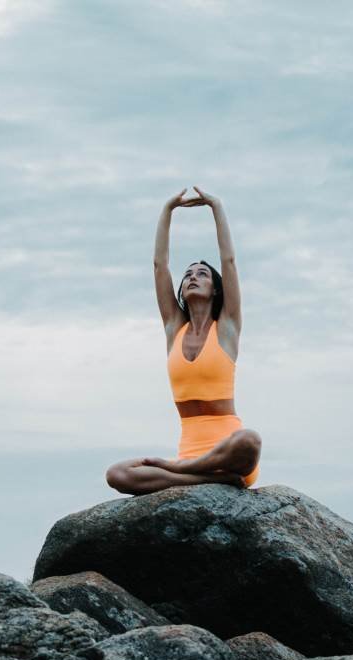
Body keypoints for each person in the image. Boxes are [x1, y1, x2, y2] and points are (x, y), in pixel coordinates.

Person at [105, 186, 261, 495]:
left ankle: (181, 471)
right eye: (188, 274)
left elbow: (228, 262)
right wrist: (167, 210)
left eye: (202, 274)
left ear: (215, 289)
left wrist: (216, 206)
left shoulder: (227, 327)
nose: (192, 277)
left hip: (227, 453)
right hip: (194, 457)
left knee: (250, 440)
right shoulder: (174, 328)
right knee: (116, 474)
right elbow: (159, 266)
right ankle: (206, 478)